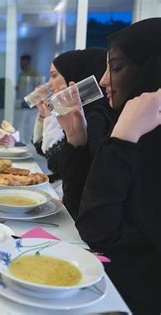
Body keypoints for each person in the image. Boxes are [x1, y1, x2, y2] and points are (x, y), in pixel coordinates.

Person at [56, 18, 161, 313]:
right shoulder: (130, 125)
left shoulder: (126, 128)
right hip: (108, 281)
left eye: (115, 68)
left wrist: (122, 140)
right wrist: (76, 141)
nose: (103, 81)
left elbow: (97, 231)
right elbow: (79, 208)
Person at [32, 48, 113, 217]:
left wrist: (50, 118)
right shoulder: (83, 111)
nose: (49, 84)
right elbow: (40, 148)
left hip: (82, 214)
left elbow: (55, 161)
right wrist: (43, 115)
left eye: (54, 76)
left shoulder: (95, 117)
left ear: (75, 76)